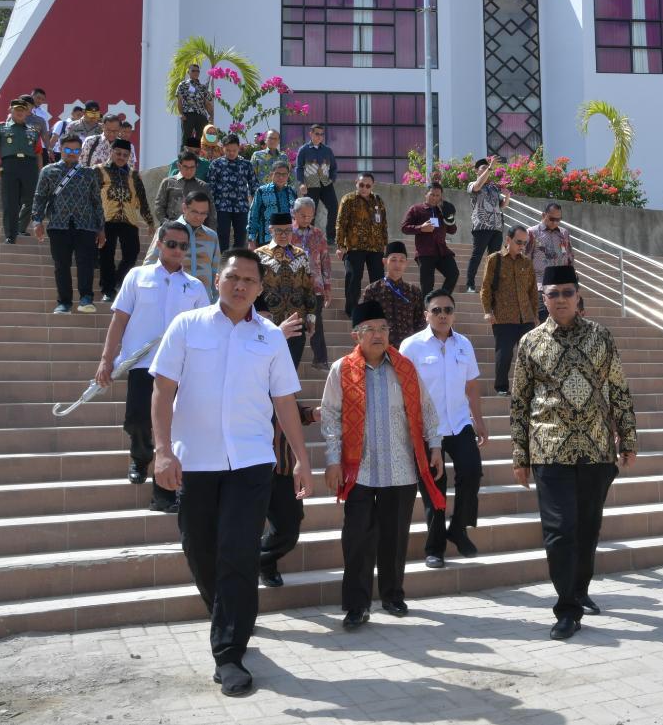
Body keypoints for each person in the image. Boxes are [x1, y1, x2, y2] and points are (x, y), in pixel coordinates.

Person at [150, 249, 313, 697]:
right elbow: (163, 391)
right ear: (217, 280)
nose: (240, 286)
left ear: (260, 288)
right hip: (196, 461)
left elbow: (283, 402)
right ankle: (225, 612)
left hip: (251, 463)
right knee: (199, 549)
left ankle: (229, 652)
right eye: (232, 277)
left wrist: (301, 456)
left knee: (238, 553)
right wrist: (162, 452)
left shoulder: (270, 338)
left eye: (248, 280)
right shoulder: (187, 326)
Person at [511, 265, 638, 640]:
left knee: (588, 528)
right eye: (554, 294)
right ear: (544, 298)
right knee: (560, 530)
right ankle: (566, 608)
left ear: (578, 295)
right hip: (549, 450)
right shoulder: (530, 343)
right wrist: (520, 454)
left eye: (568, 292)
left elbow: (619, 389)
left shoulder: (601, 336)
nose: (561, 299)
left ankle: (579, 591)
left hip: (596, 447)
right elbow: (519, 402)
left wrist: (627, 439)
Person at [320, 301, 444, 629]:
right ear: (356, 335)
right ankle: (357, 606)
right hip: (358, 469)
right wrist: (332, 460)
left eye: (383, 328)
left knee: (395, 536)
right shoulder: (342, 369)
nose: (379, 335)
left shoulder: (404, 366)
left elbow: (426, 407)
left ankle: (392, 595)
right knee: (358, 538)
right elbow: (330, 416)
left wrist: (435, 445)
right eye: (371, 329)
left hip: (401, 467)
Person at [97, 222, 209, 512]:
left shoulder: (195, 287)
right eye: (171, 244)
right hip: (141, 364)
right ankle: (140, 455)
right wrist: (106, 360)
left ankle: (164, 495)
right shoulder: (137, 276)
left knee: (170, 429)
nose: (177, 250)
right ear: (159, 244)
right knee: (136, 420)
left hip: (178, 369)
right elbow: (119, 319)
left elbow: (203, 332)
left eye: (183, 246)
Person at [400, 289, 489, 568]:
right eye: (436, 310)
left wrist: (479, 420)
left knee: (472, 472)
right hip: (427, 429)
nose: (442, 315)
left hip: (460, 423)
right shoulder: (411, 346)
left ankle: (459, 528)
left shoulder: (464, 344)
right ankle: (434, 547)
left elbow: (471, 386)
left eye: (447, 310)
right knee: (434, 488)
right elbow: (403, 390)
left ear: (454, 314)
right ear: (426, 314)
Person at [31, 134, 106, 313]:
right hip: (58, 225)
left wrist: (101, 227)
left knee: (86, 263)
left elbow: (96, 201)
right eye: (67, 150)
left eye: (75, 150)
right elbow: (40, 197)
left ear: (80, 152)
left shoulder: (89, 173)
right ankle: (64, 302)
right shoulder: (48, 171)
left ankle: (86, 298)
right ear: (60, 148)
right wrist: (36, 221)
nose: (71, 153)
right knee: (61, 264)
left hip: (86, 225)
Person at [258, 400, 319, 588]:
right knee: (244, 526)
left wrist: (311, 413)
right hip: (250, 468)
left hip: (283, 468)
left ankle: (260, 560)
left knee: (289, 528)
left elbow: (287, 405)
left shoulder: (278, 375)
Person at [480, 225, 538, 395]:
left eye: (525, 243)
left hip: (525, 317)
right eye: (518, 242)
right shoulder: (494, 259)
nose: (522, 246)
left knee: (530, 355)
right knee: (504, 354)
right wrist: (487, 311)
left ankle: (529, 388)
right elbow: (486, 287)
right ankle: (501, 387)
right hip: (503, 317)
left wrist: (534, 315)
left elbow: (532, 290)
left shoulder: (527, 262)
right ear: (508, 240)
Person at [94, 138, 154, 302]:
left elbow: (142, 198)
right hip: (106, 220)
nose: (121, 157)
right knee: (106, 255)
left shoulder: (134, 175)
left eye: (125, 155)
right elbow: (91, 197)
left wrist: (150, 221)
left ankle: (115, 281)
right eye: (118, 153)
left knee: (132, 253)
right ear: (111, 152)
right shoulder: (99, 171)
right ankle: (108, 290)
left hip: (129, 220)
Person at [256, 212, 317, 368]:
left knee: (290, 371)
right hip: (269, 322)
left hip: (296, 321)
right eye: (279, 231)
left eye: (288, 230)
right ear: (271, 230)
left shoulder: (301, 255)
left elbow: (308, 287)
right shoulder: (258, 255)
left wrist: (311, 317)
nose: (284, 235)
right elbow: (254, 288)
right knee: (268, 369)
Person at [143, 191, 220, 299]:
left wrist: (216, 300)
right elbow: (150, 263)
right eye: (195, 212)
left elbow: (216, 271)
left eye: (203, 213)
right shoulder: (166, 231)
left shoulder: (212, 236)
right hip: (171, 297)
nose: (199, 217)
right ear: (184, 208)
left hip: (202, 301)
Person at [0, 98, 42, 244]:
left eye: (22, 110)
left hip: (29, 166)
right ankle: (10, 235)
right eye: (16, 109)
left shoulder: (33, 130)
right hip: (9, 165)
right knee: (10, 201)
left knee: (31, 199)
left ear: (27, 112)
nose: (19, 112)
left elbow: (37, 153)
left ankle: (20, 226)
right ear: (10, 110)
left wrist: (40, 170)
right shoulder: (1, 127)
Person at [335, 172, 388, 317]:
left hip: (375, 248)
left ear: (372, 186)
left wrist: (385, 244)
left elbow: (383, 224)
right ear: (356, 184)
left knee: (378, 281)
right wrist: (340, 245)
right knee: (353, 278)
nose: (364, 188)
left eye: (368, 185)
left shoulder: (378, 200)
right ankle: (352, 311)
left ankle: (376, 310)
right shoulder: (348, 199)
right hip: (354, 246)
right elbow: (341, 223)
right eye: (361, 185)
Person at [360, 242, 425, 349]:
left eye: (401, 260)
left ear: (406, 263)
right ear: (385, 261)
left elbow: (420, 324)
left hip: (408, 350)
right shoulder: (373, 290)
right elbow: (366, 323)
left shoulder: (414, 292)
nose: (397, 265)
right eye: (393, 260)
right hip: (381, 349)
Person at [291, 196, 331, 370]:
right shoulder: (287, 233)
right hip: (293, 287)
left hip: (315, 286)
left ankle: (320, 359)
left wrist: (327, 285)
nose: (306, 219)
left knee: (317, 322)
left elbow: (325, 260)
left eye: (310, 216)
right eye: (303, 215)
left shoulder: (318, 234)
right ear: (294, 213)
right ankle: (291, 363)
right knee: (295, 324)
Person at [401, 183, 459, 295]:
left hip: (443, 251)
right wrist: (421, 228)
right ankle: (426, 309)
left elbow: (452, 230)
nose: (435, 198)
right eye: (432, 194)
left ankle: (440, 298)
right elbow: (404, 228)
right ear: (425, 194)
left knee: (453, 274)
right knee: (427, 285)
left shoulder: (442, 209)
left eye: (438, 195)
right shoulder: (416, 209)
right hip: (425, 253)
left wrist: (449, 217)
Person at [465, 156, 510, 292]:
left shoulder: (494, 187)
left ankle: (492, 287)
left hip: (496, 227)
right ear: (476, 171)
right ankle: (470, 285)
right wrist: (490, 167)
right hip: (482, 226)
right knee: (477, 255)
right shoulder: (472, 184)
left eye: (488, 168)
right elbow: (478, 186)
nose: (487, 170)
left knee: (495, 259)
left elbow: (501, 206)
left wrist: (507, 196)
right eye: (483, 168)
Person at [206, 134, 257, 251]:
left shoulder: (246, 164)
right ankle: (223, 264)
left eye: (234, 150)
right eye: (228, 150)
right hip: (222, 207)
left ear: (239, 148)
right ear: (223, 148)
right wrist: (209, 207)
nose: (231, 153)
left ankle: (237, 264)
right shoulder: (216, 164)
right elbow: (210, 187)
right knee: (222, 237)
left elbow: (254, 185)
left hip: (241, 207)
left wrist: (257, 204)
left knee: (241, 237)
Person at [526, 203, 574, 320]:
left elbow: (569, 258)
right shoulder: (532, 233)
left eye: (558, 219)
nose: (555, 223)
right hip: (539, 285)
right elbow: (525, 259)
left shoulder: (564, 233)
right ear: (543, 215)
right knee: (543, 317)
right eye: (552, 219)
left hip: (560, 285)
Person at [294, 123, 338, 242]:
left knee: (334, 207)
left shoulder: (328, 150)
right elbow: (299, 168)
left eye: (321, 134)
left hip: (326, 184)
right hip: (310, 185)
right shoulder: (304, 150)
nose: (319, 136)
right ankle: (307, 237)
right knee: (309, 211)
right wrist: (301, 183)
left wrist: (332, 179)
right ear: (311, 134)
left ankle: (330, 237)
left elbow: (334, 167)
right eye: (316, 134)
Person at [154, 150, 216, 230]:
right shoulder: (167, 183)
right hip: (171, 229)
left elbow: (211, 212)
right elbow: (159, 206)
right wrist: (167, 224)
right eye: (185, 167)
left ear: (196, 166)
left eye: (192, 167)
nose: (189, 171)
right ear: (179, 166)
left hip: (196, 231)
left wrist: (209, 232)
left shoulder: (203, 186)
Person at [249, 160, 298, 247]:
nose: (281, 177)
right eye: (278, 174)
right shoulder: (262, 191)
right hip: (267, 239)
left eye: (284, 174)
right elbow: (253, 215)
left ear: (288, 176)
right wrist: (251, 239)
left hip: (288, 239)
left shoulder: (292, 192)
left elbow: (296, 216)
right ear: (272, 174)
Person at [176, 62, 214, 146]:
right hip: (188, 114)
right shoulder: (183, 85)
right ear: (188, 72)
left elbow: (207, 102)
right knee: (187, 138)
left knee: (200, 138)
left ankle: (196, 157)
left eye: (198, 71)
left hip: (201, 115)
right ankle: (184, 157)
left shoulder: (202, 87)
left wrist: (211, 115)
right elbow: (179, 100)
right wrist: (181, 114)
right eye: (193, 71)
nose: (196, 73)